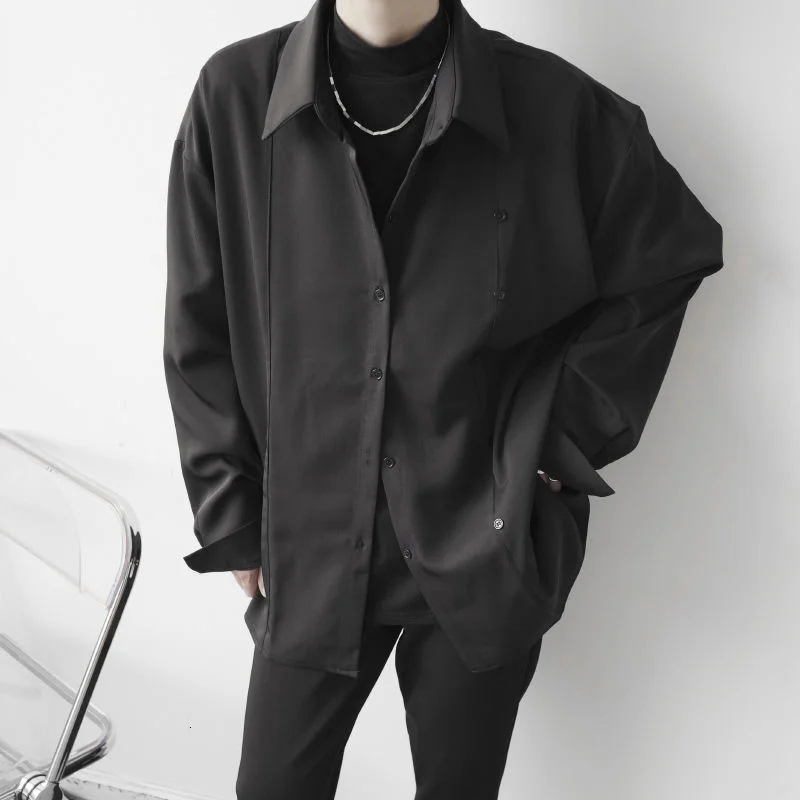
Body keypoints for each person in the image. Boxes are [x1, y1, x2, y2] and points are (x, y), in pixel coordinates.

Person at [163, 0, 724, 796]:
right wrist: (230, 512)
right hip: (308, 542)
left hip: (482, 538)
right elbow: (198, 325)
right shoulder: (235, 96)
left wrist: (558, 444)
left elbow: (671, 256)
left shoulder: (553, 107)